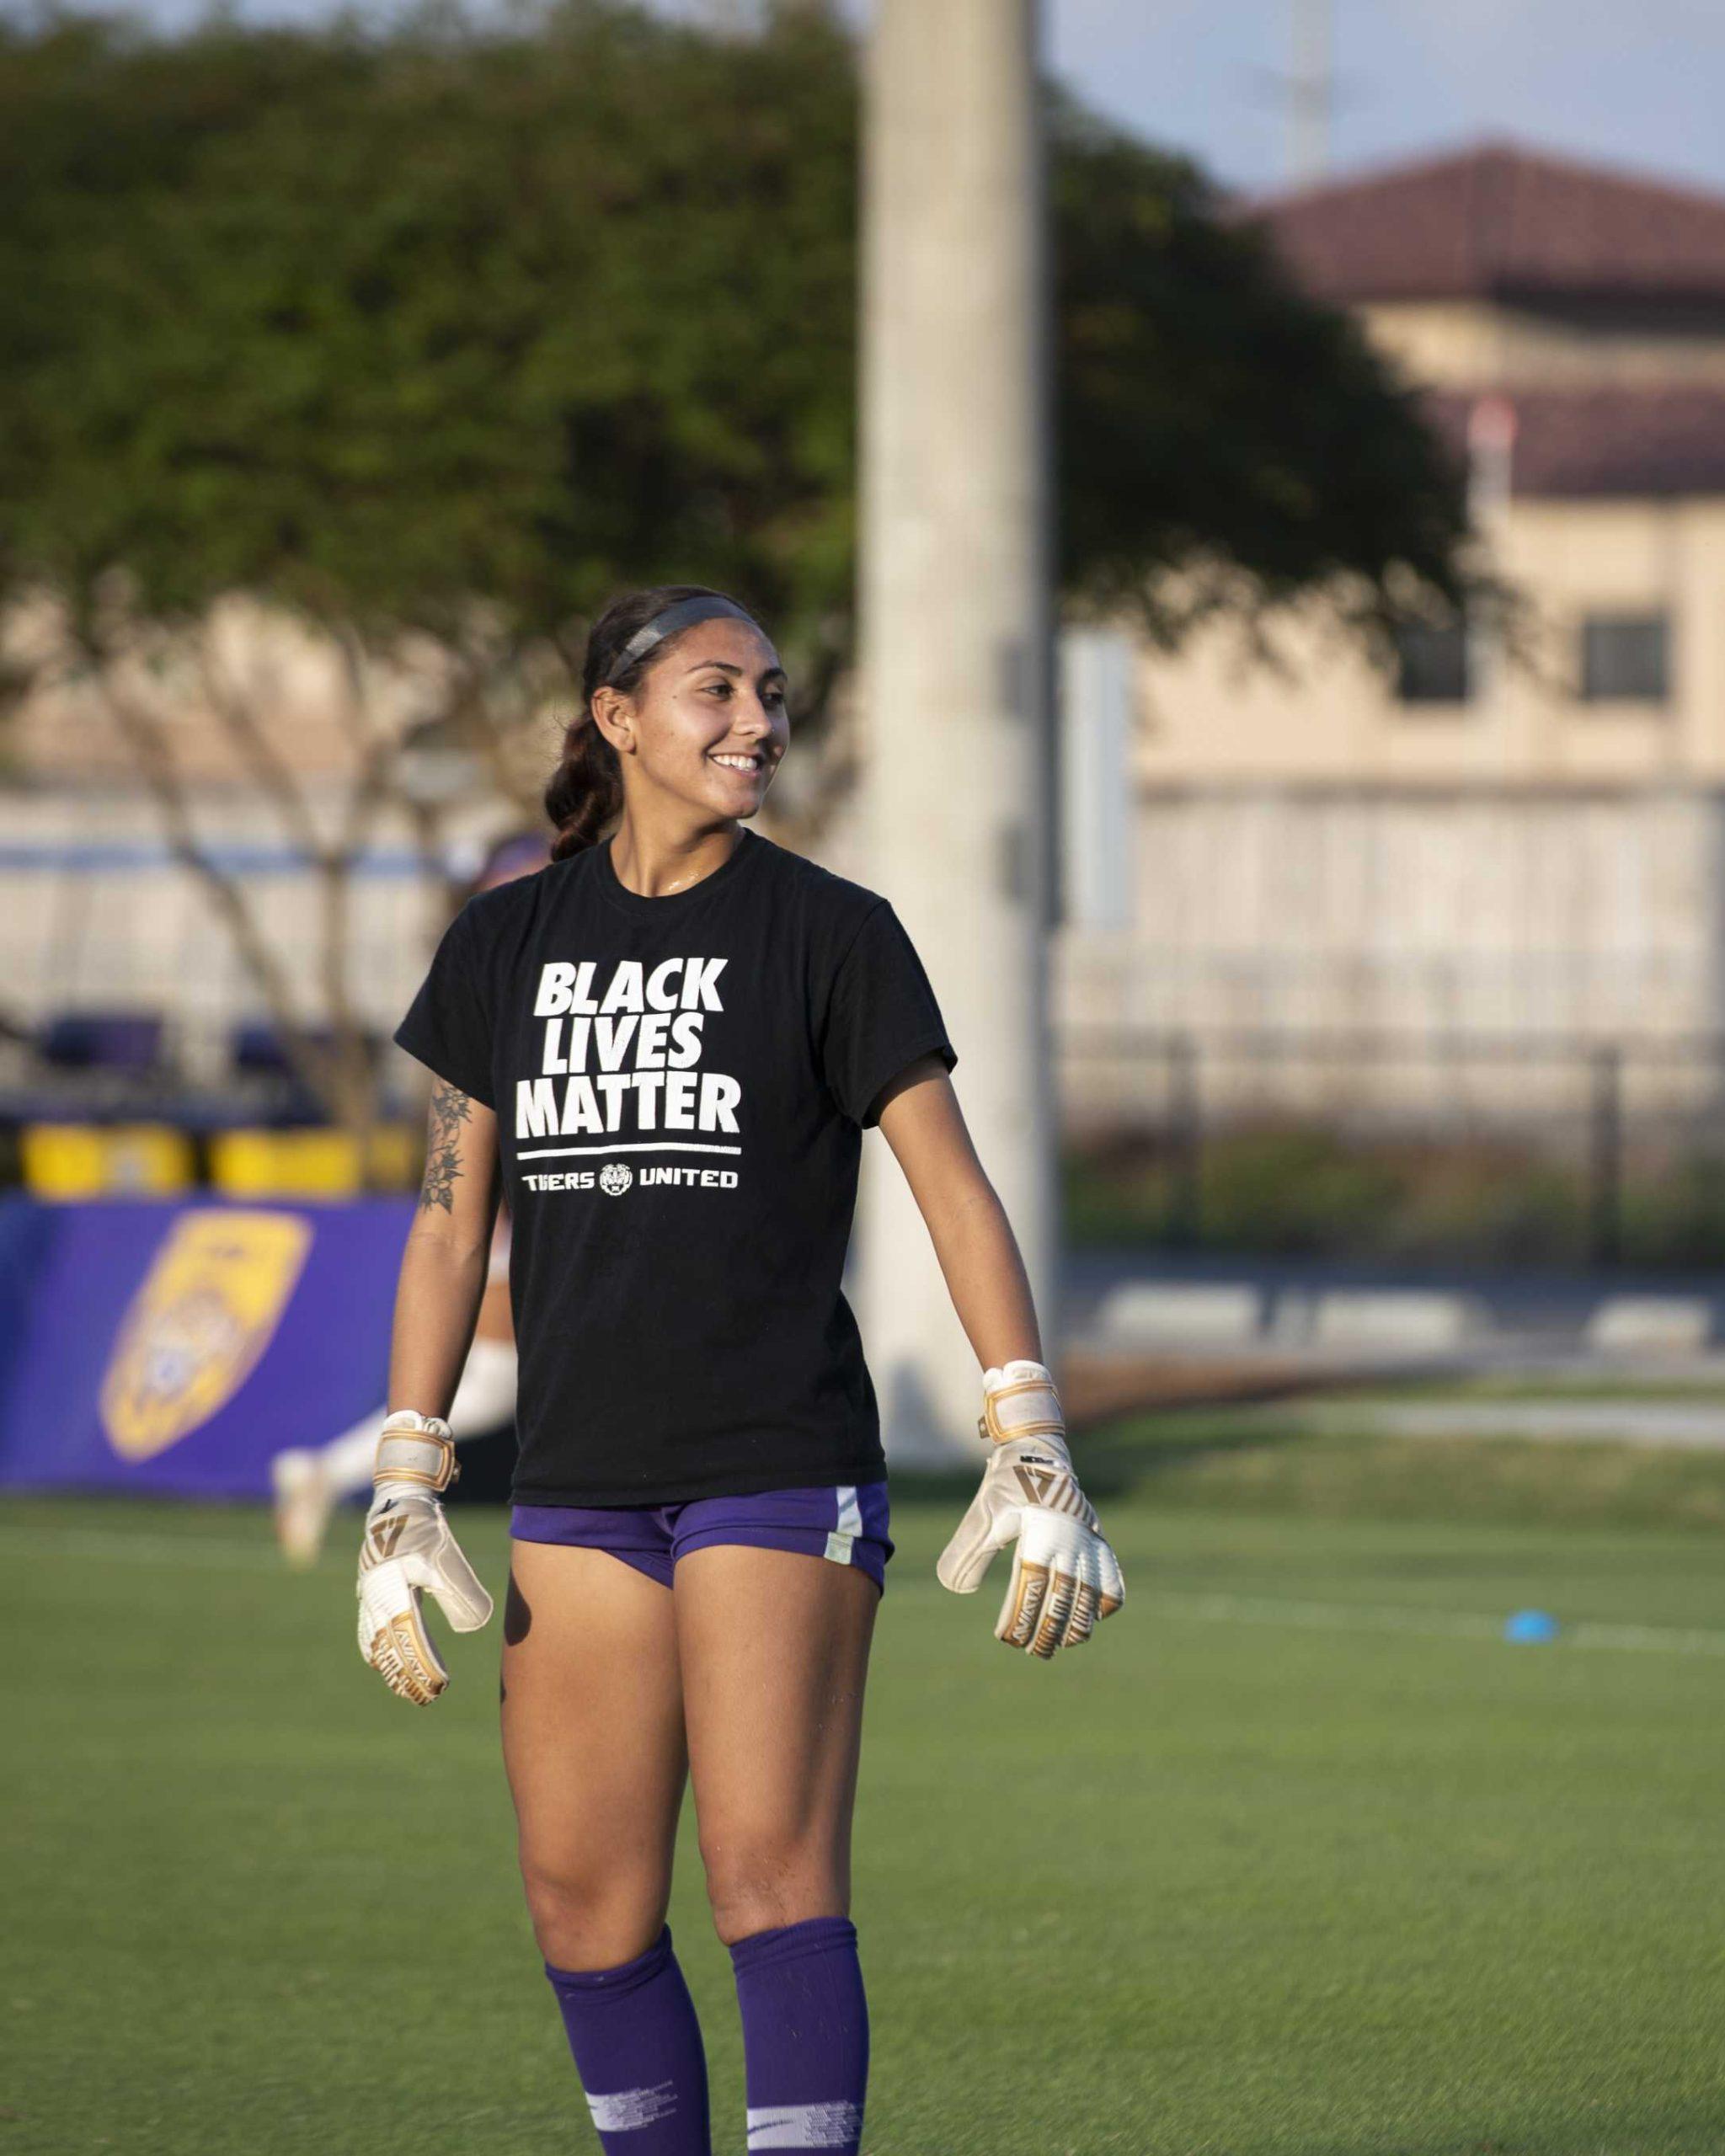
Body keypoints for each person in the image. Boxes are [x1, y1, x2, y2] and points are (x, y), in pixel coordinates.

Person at [356, 586, 1124, 2156]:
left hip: (775, 1458)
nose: (758, 722)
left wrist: (1026, 1431)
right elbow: (448, 1229)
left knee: (765, 1878)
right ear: (616, 718)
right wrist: (403, 1472)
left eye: (770, 694)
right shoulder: (503, 942)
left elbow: (953, 1189)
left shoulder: (830, 933)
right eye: (716, 692)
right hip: (578, 1481)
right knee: (582, 1905)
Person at [269, 832, 548, 1567]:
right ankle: (336, 1475)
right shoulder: (487, 971)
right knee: (492, 1378)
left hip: (527, 1202)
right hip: (495, 1204)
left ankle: (327, 1472)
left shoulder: (527, 957)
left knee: (502, 1380)